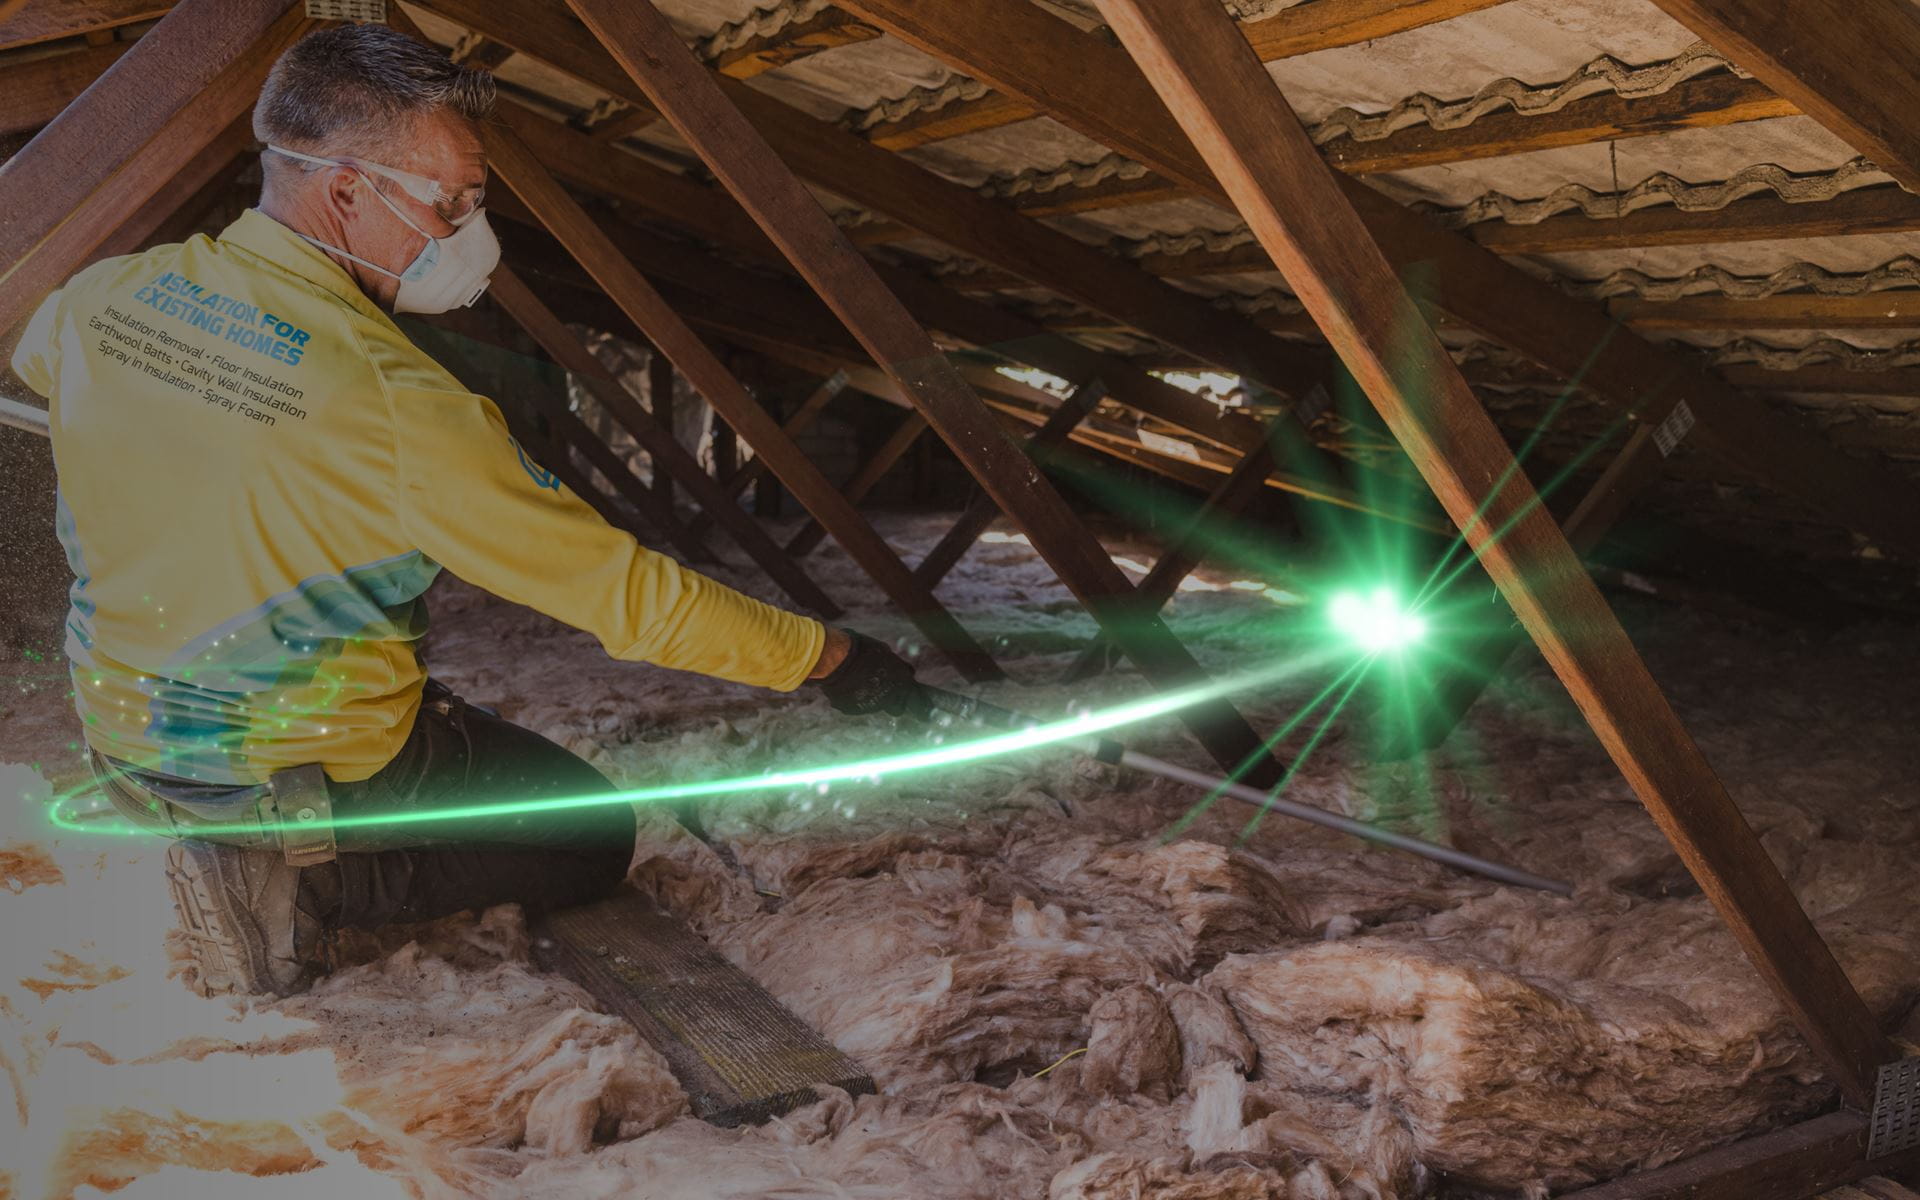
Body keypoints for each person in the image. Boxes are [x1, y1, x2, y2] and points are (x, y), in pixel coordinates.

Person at [9, 25, 930, 998]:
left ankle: (229, 831)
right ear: (348, 190)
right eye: (449, 204)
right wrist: (833, 657)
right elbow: (632, 600)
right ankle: (303, 879)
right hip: (302, 763)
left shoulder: (101, 301)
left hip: (125, 736)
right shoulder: (397, 400)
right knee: (588, 829)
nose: (466, 233)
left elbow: (51, 376)